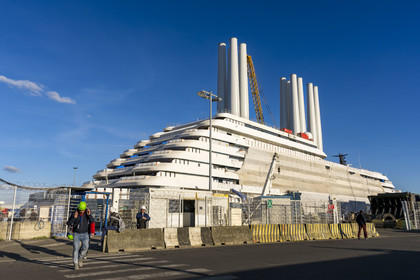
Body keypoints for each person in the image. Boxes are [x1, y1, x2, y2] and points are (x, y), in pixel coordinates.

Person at [67, 201, 94, 270]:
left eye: (83, 210)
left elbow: (92, 221)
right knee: (76, 248)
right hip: (76, 234)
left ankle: (80, 258)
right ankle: (75, 263)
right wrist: (74, 218)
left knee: (86, 247)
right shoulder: (75, 213)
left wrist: (89, 215)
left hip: (85, 233)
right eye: (80, 210)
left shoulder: (87, 213)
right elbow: (68, 223)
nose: (81, 211)